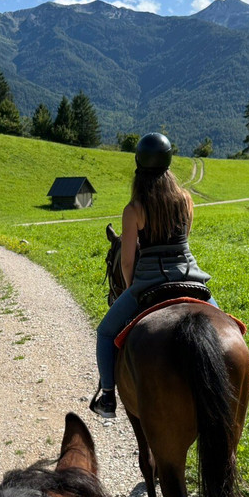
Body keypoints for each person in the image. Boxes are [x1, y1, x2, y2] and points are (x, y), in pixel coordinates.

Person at [90, 132, 217, 419]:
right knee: (226, 327)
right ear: (169, 163)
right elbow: (184, 241)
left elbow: (127, 260)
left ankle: (108, 397)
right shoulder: (185, 199)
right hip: (191, 277)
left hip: (149, 280)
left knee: (105, 332)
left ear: (138, 165)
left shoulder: (134, 209)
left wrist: (131, 288)